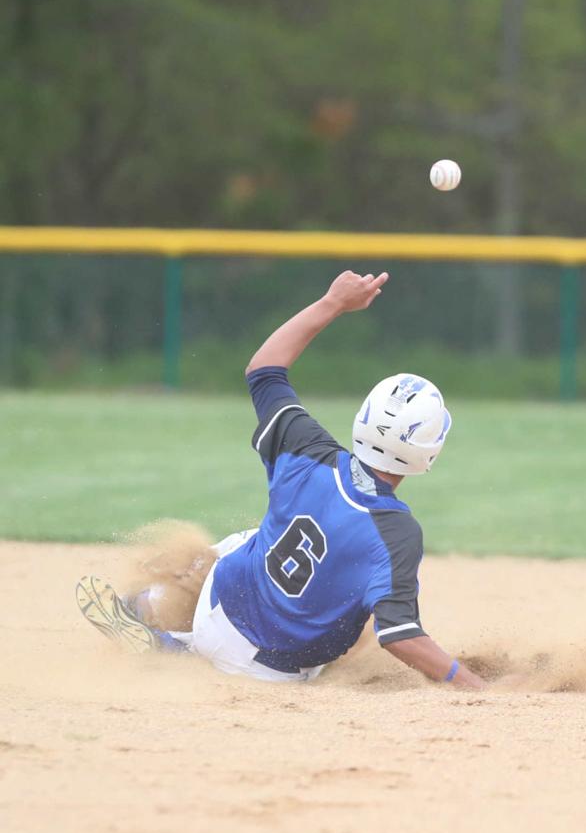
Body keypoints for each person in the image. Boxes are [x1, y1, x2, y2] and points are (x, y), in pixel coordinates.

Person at [76, 270, 487, 689]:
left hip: (218, 600)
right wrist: (473, 684)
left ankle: (148, 603)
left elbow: (264, 370)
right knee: (364, 606)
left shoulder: (306, 450)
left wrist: (333, 303)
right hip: (266, 671)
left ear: (363, 418)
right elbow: (400, 636)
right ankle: (173, 649)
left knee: (246, 541)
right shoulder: (398, 533)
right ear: (427, 453)